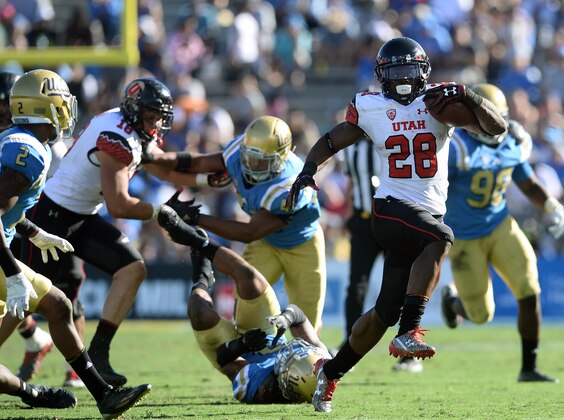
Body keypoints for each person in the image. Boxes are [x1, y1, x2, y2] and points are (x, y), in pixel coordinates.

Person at [284, 36, 508, 412]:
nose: (403, 79)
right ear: (382, 76)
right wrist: (307, 171)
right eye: (396, 71)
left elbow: (495, 128)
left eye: (409, 70)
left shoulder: (439, 102)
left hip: (424, 215)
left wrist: (470, 96)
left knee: (382, 313)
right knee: (441, 238)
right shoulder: (371, 106)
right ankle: (409, 333)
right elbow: (331, 140)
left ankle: (330, 373)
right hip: (389, 207)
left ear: (423, 73)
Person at [16, 76, 227, 387]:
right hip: (52, 215)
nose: (156, 122)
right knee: (19, 298)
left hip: (83, 215)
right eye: (151, 114)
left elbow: (160, 165)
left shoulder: (130, 128)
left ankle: (98, 353)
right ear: (134, 110)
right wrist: (159, 212)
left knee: (132, 269)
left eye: (160, 116)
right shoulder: (117, 135)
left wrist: (207, 180)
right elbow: (119, 205)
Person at [0, 68, 151, 419]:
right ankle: (104, 394)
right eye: (61, 103)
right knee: (58, 305)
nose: (67, 110)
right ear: (45, 108)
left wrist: (32, 232)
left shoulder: (16, 139)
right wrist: (11, 273)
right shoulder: (32, 152)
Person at [440, 83, 564, 383]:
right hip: (465, 237)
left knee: (529, 287)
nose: (492, 125)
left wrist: (552, 206)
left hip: (500, 225)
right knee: (481, 314)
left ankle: (529, 367)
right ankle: (455, 303)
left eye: (496, 117)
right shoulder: (456, 147)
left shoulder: (512, 141)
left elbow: (527, 182)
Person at [156, 115, 326, 333]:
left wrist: (196, 217)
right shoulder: (238, 151)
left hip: (302, 243)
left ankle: (313, 361)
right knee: (247, 314)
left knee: (307, 326)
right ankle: (251, 360)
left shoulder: (290, 185)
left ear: (281, 158)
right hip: (268, 242)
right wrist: (155, 158)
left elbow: (249, 232)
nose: (250, 165)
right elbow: (198, 163)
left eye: (260, 161)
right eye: (248, 157)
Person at [157, 211, 330, 404]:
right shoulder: (320, 360)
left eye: (289, 359)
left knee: (199, 310)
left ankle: (202, 278)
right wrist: (286, 318)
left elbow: (225, 359)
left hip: (235, 351)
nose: (289, 352)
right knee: (250, 280)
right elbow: (298, 315)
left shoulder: (258, 388)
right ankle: (194, 240)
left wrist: (243, 344)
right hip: (267, 332)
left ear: (283, 380)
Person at [0, 70, 56, 402]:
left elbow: (18, 198)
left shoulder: (40, 142)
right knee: (32, 295)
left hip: (34, 207)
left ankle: (43, 346)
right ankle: (36, 341)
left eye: (5, 105)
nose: (0, 112)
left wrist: (34, 229)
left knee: (55, 293)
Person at [341, 127, 422, 373]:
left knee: (403, 286)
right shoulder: (351, 149)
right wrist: (348, 215)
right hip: (363, 221)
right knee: (357, 285)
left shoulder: (391, 144)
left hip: (390, 220)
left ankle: (408, 353)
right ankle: (349, 347)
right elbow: (353, 184)